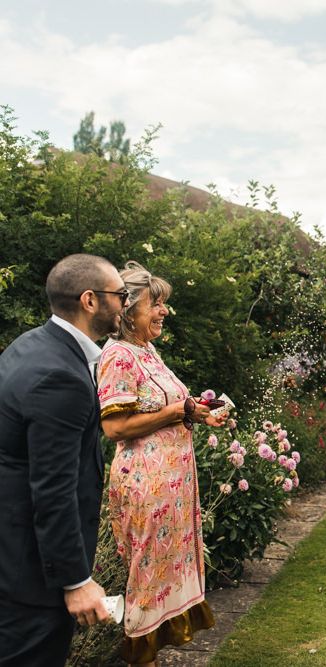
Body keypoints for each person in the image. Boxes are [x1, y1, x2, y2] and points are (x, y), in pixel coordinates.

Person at [96, 261, 225, 666]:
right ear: (128, 311)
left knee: (161, 575)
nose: (163, 311)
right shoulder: (118, 356)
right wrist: (174, 413)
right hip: (145, 489)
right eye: (155, 304)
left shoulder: (147, 351)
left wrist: (199, 413)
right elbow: (115, 427)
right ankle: (140, 659)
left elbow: (170, 405)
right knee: (146, 579)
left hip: (172, 488)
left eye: (163, 303)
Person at [0, 254, 126, 666]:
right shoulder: (62, 377)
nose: (125, 304)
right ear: (90, 300)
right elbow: (53, 489)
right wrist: (75, 581)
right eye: (120, 295)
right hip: (32, 574)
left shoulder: (30, 344)